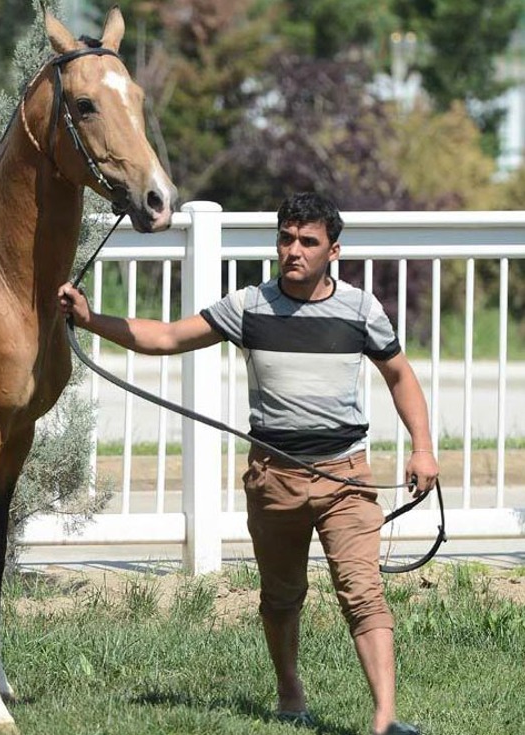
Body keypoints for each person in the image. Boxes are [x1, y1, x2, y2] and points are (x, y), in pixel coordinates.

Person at [57, 192, 437, 735]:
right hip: (272, 478)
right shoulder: (250, 306)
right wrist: (91, 318)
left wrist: (422, 447)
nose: (294, 250)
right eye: (286, 239)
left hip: (344, 477)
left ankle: (384, 720)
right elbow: (166, 337)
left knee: (363, 592)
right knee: (281, 597)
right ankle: (289, 692)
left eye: (308, 241)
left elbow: (400, 375)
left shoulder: (361, 310)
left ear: (333, 250)